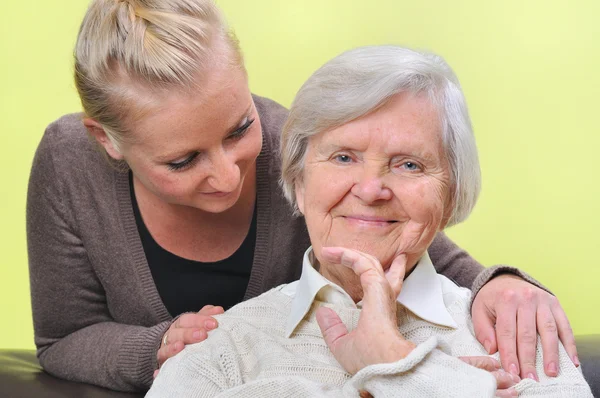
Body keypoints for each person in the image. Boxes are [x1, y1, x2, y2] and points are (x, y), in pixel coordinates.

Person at [26, 0, 577, 392]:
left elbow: (401, 226)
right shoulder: (71, 162)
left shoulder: (302, 143)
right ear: (108, 140)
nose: (228, 174)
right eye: (183, 160)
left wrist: (495, 283)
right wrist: (156, 349)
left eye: (239, 128)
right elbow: (63, 337)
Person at [146, 45, 592, 398]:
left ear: (451, 193)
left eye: (409, 165)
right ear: (299, 182)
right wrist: (408, 380)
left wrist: (389, 359)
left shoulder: (518, 334)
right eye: (343, 157)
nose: (370, 189)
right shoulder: (219, 349)